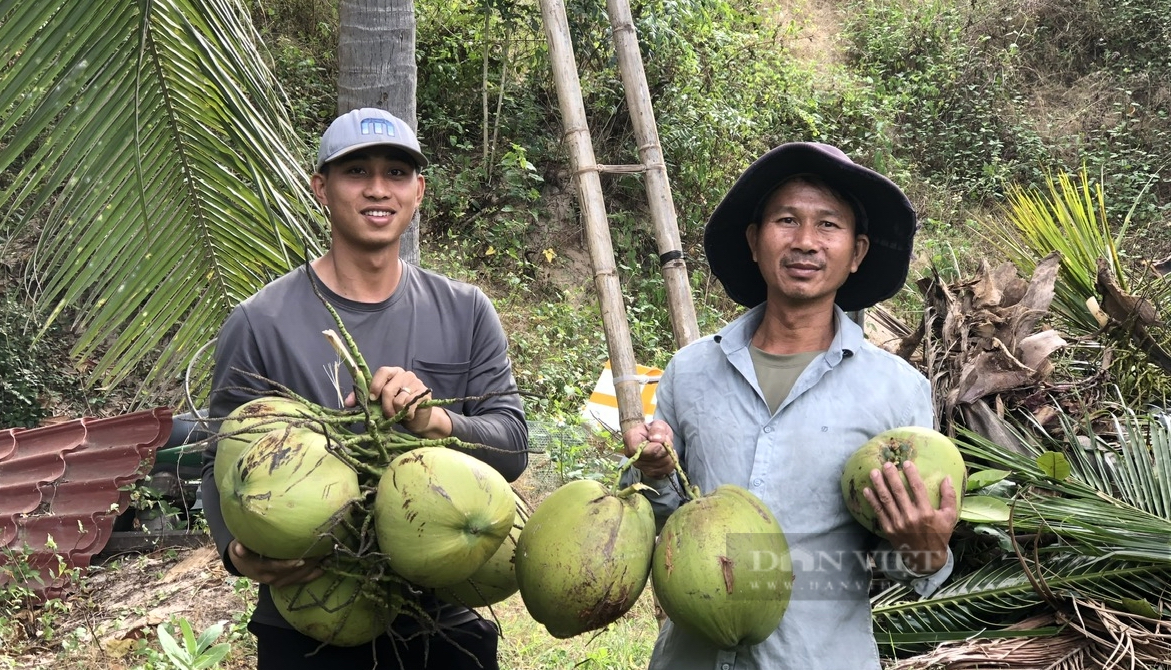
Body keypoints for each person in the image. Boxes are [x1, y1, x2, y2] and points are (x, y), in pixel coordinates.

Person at [201, 108, 529, 669]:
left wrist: (435, 422)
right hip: (315, 615)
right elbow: (218, 462)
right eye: (357, 172)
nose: (379, 189)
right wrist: (238, 554)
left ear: (418, 190)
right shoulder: (261, 321)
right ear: (321, 188)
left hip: (442, 615)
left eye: (396, 173)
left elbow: (513, 444)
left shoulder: (466, 310)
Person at [622, 142, 959, 669]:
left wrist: (927, 547)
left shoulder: (897, 391)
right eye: (786, 220)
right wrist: (655, 471)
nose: (805, 241)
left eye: (828, 225)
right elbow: (657, 517)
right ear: (755, 242)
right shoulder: (690, 371)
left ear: (858, 252)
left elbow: (903, 567)